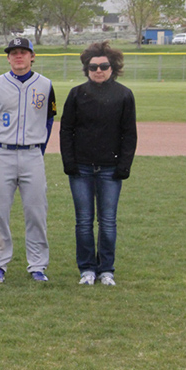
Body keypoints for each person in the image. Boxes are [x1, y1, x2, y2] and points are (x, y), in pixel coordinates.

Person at [60, 41, 137, 286]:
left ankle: (106, 270)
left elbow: (129, 133)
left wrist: (124, 165)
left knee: (108, 222)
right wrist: (69, 162)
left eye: (104, 66)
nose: (99, 70)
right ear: (87, 69)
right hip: (81, 168)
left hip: (110, 170)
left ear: (112, 67)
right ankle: (87, 270)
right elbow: (66, 130)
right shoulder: (76, 94)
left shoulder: (124, 95)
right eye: (93, 67)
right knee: (83, 222)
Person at [0, 37, 56, 283]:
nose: (18, 56)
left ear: (32, 56)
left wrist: (39, 149)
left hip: (33, 154)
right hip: (3, 153)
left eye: (23, 52)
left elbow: (48, 120)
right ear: (8, 57)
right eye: (14, 52)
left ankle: (38, 266)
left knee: (36, 212)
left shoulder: (45, 85)